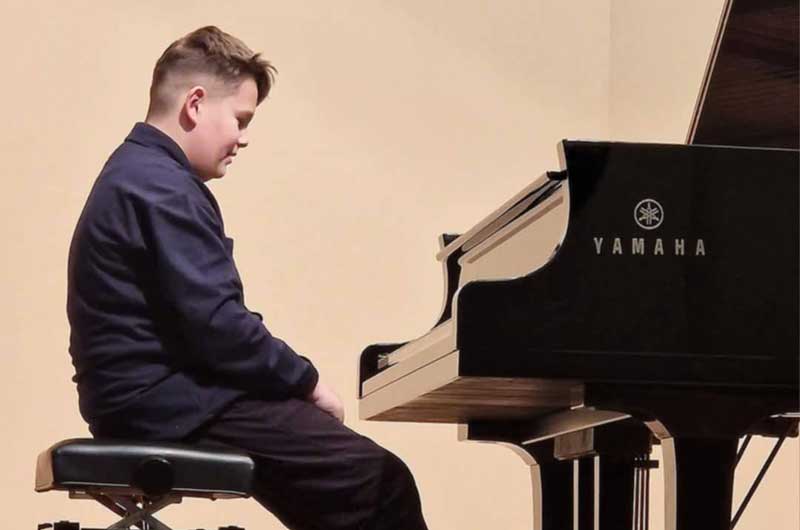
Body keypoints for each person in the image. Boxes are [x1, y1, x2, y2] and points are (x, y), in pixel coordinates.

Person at [66, 25, 429, 530]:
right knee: (378, 480)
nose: (242, 138)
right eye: (240, 119)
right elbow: (220, 326)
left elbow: (211, 322)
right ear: (195, 104)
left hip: (145, 400)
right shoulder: (160, 187)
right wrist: (308, 383)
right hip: (167, 404)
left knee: (337, 487)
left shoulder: (138, 174)